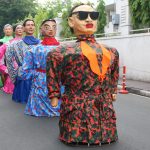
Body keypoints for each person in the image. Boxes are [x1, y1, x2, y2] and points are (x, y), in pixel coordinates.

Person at [46, 3, 119, 146]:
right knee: (76, 128)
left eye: (94, 15)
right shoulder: (60, 52)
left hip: (103, 105)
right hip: (76, 105)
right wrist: (54, 94)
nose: (89, 19)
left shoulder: (112, 52)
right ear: (71, 21)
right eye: (83, 16)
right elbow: (52, 75)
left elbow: (114, 73)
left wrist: (112, 90)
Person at [18, 19, 61, 116]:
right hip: (41, 85)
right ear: (41, 30)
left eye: (54, 27)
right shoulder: (34, 50)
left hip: (59, 83)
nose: (51, 29)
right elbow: (24, 71)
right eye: (47, 27)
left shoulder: (64, 49)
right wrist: (38, 74)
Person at [6, 19, 40, 103]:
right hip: (23, 79)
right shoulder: (15, 45)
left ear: (35, 27)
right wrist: (13, 77)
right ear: (24, 28)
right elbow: (8, 60)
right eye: (28, 25)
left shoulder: (41, 43)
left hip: (39, 78)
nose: (30, 26)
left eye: (32, 25)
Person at [0, 24, 23, 94]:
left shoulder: (28, 43)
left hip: (26, 74)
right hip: (11, 72)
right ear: (15, 31)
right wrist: (5, 69)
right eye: (18, 28)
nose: (20, 30)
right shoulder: (7, 43)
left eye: (21, 28)